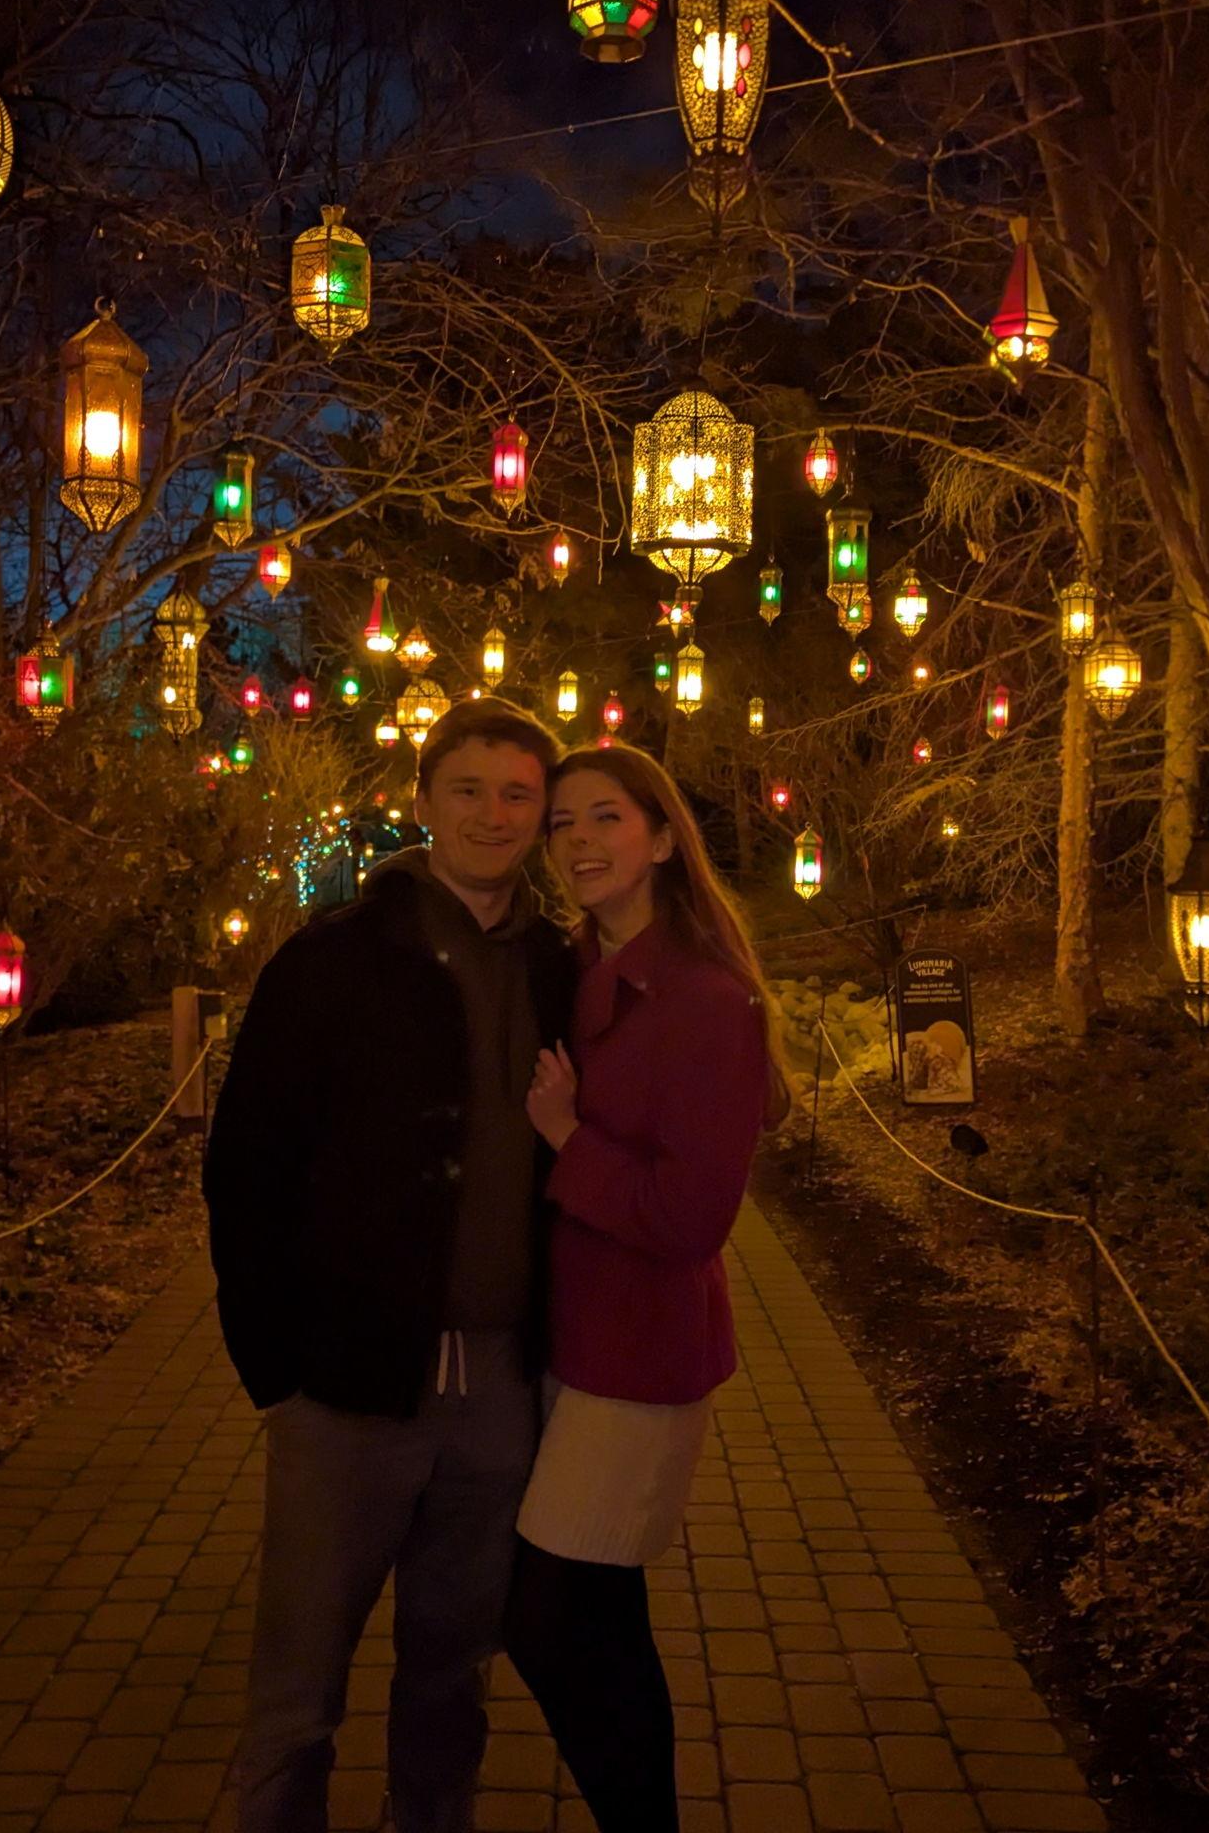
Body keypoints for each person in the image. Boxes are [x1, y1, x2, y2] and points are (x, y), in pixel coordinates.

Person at [202, 697, 576, 1833]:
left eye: (517, 794)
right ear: (422, 801)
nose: (492, 814)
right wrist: (275, 1368)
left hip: (499, 1386)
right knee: (298, 1683)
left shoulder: (559, 966)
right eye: (467, 789)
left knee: (452, 1672)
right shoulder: (333, 960)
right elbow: (247, 1164)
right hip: (347, 1389)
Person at [505, 745, 790, 1833]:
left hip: (638, 1353)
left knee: (551, 1618)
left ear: (664, 836)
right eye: (561, 822)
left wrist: (566, 1136)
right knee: (601, 1616)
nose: (577, 841)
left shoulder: (708, 1000)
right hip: (565, 1336)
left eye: (605, 818)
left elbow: (690, 1218)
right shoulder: (574, 969)